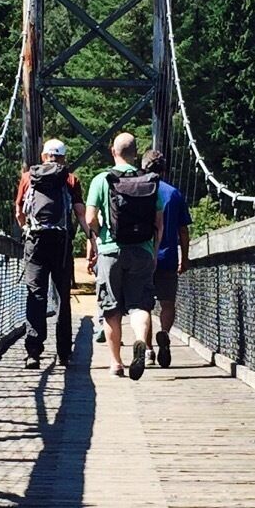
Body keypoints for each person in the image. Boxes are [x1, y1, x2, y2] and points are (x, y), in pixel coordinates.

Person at [83, 130, 160, 377]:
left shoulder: (101, 179)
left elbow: (90, 217)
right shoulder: (150, 181)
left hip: (110, 250)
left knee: (112, 308)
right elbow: (159, 223)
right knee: (140, 306)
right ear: (136, 154)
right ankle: (140, 340)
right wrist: (154, 251)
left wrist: (97, 236)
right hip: (142, 250)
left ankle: (116, 363)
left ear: (113, 151)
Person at [14, 138, 82, 366]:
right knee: (62, 296)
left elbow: (18, 212)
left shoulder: (28, 177)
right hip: (61, 243)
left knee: (36, 294)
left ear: (44, 156)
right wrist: (93, 239)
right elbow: (81, 213)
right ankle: (64, 353)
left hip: (35, 241)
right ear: (63, 158)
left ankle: (33, 351)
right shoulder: (71, 179)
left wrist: (26, 229)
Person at [143, 149, 190, 368]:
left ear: (143, 167)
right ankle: (164, 333)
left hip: (143, 257)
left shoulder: (140, 190)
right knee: (167, 303)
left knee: (144, 306)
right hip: (169, 255)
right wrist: (185, 257)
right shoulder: (174, 193)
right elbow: (183, 231)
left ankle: (149, 350)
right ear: (164, 169)